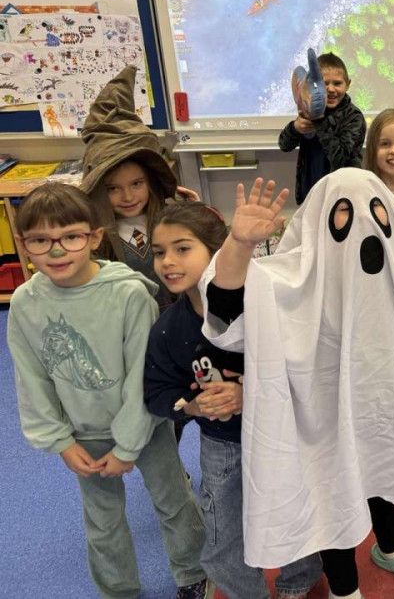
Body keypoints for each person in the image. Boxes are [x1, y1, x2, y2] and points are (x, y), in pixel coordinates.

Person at [199, 171, 394, 599]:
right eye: (344, 213)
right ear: (318, 220)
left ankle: (391, 547)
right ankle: (344, 587)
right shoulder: (294, 277)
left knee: (386, 477)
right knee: (333, 495)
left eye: (375, 210)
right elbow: (226, 309)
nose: (363, 224)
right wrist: (238, 245)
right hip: (324, 420)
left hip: (386, 406)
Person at [6, 183, 208, 599]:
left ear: (95, 236)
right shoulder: (25, 302)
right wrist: (60, 441)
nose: (56, 251)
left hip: (145, 428)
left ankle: (193, 574)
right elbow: (32, 377)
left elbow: (144, 377)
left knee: (173, 502)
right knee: (102, 519)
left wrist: (128, 446)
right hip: (83, 433)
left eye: (71, 236)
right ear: (23, 244)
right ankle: (118, 589)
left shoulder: (129, 294)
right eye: (41, 240)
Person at [142, 202, 323, 599]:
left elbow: (305, 371)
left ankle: (300, 580)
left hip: (280, 435)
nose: (168, 261)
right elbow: (156, 392)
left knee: (293, 510)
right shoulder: (168, 329)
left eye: (182, 248)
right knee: (223, 535)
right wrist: (192, 406)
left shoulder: (264, 306)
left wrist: (250, 393)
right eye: (159, 252)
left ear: (218, 250)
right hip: (222, 445)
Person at [80, 65, 197, 313]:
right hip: (125, 321)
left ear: (151, 181)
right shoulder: (95, 236)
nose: (128, 197)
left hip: (174, 317)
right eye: (113, 188)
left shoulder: (169, 217)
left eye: (136, 184)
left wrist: (194, 217)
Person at [278, 50, 366, 204]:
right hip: (310, 195)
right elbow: (284, 145)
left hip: (342, 197)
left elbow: (340, 159)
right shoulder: (307, 111)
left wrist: (319, 121)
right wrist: (295, 128)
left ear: (348, 84)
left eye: (337, 83)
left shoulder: (353, 117)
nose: (330, 89)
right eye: (324, 83)